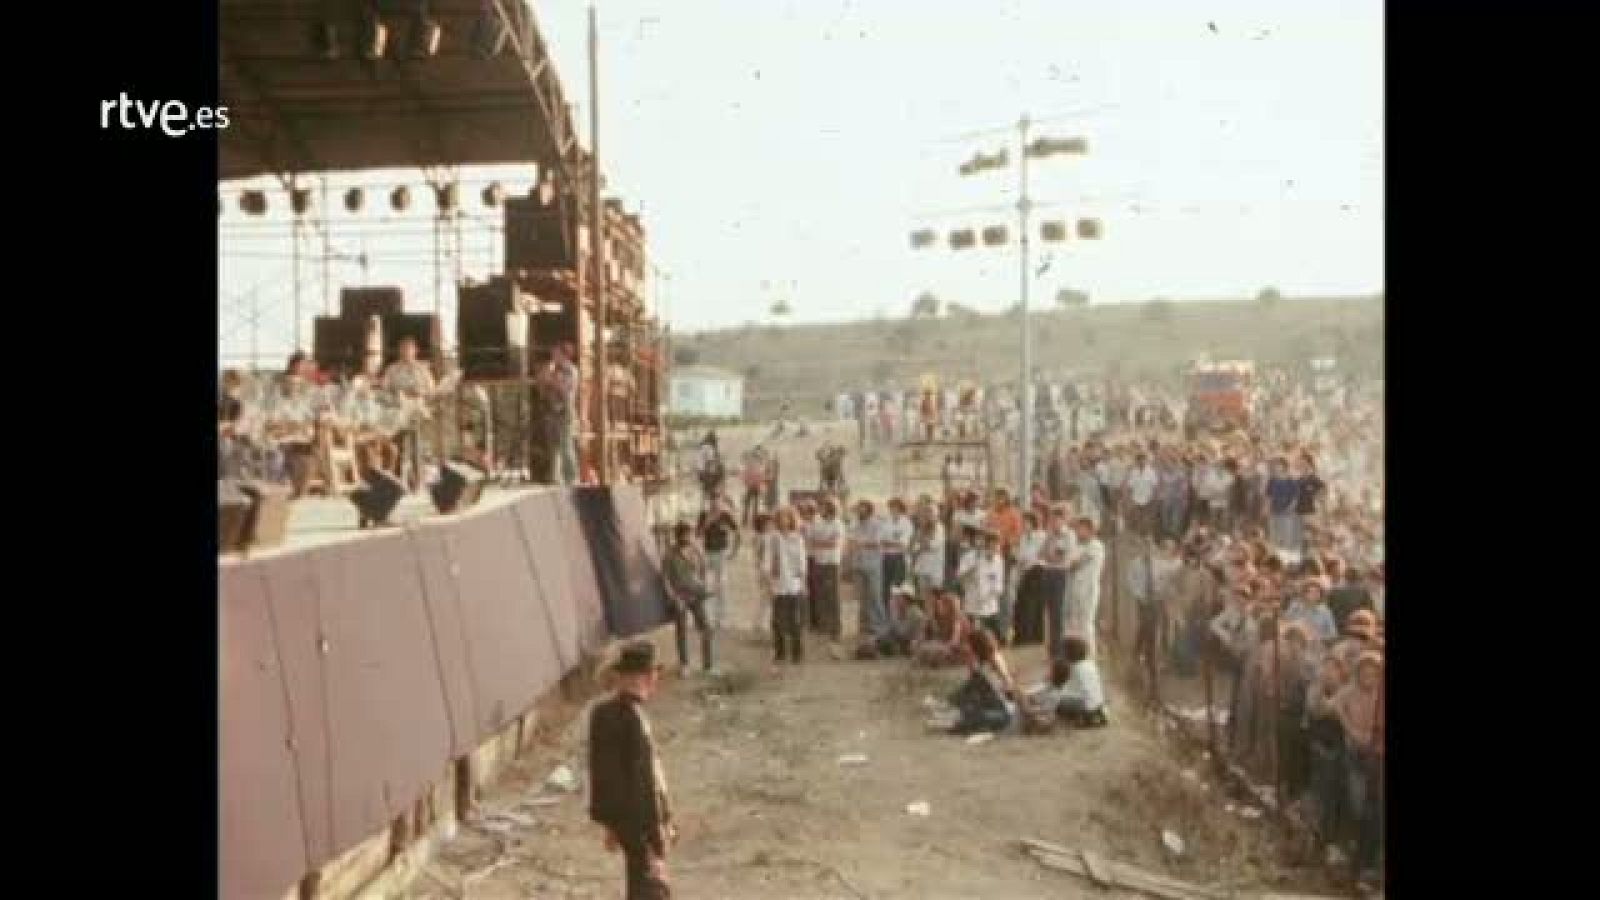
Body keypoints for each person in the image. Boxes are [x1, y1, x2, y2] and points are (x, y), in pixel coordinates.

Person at [588, 640, 675, 900]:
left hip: (627, 822)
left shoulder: (604, 714)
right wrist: (653, 838)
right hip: (640, 826)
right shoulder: (631, 720)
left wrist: (612, 822)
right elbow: (642, 783)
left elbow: (605, 777)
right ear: (647, 677)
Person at [662, 521, 714, 675]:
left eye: (690, 534)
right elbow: (665, 579)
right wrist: (673, 597)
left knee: (706, 628)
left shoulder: (695, 550)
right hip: (680, 597)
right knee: (682, 631)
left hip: (696, 594)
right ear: (679, 535)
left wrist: (704, 585)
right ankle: (684, 664)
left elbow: (703, 569)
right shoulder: (670, 554)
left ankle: (708, 665)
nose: (689, 537)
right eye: (686, 534)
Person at [947, 629, 1018, 735]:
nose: (964, 649)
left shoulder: (982, 672)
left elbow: (960, 697)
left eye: (967, 645)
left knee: (969, 716)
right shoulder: (989, 666)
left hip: (1001, 715)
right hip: (1006, 711)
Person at [769, 506, 809, 666]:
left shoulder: (797, 538)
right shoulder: (773, 538)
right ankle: (779, 653)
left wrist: (803, 582)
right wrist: (769, 582)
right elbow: (769, 561)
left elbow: (802, 561)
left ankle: (797, 653)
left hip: (794, 583)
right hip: (778, 583)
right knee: (777, 620)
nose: (783, 521)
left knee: (795, 620)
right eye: (780, 518)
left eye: (786, 518)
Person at [695, 495, 741, 632]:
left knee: (721, 586)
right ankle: (706, 618)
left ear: (721, 502)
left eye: (718, 502)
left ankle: (721, 619)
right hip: (707, 552)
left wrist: (734, 551)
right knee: (705, 585)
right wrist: (708, 522)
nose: (715, 505)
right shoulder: (704, 515)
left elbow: (738, 532)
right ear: (710, 502)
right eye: (713, 502)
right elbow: (697, 534)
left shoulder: (726, 515)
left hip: (721, 552)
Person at [1065, 517, 1106, 658]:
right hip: (1075, 588)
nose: (1078, 531)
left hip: (1089, 589)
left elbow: (1075, 564)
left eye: (1081, 528)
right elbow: (1069, 564)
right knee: (1074, 623)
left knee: (1086, 623)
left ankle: (1090, 656)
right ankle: (1076, 655)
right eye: (1077, 528)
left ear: (1090, 529)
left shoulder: (1096, 545)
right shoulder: (1077, 546)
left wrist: (1072, 563)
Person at [848, 500, 887, 641]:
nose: (859, 511)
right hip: (858, 564)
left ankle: (879, 627)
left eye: (861, 509)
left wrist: (861, 543)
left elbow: (877, 543)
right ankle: (864, 626)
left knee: (875, 596)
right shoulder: (855, 524)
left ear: (868, 509)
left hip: (873, 564)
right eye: (858, 509)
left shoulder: (877, 524)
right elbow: (850, 541)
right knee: (862, 598)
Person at [806, 499, 844, 639]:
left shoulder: (838, 524)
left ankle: (835, 627)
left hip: (831, 562)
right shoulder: (818, 523)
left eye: (824, 507)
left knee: (832, 595)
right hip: (819, 561)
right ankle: (823, 625)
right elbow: (810, 541)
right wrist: (822, 543)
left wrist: (819, 543)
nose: (821, 510)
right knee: (820, 594)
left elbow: (833, 543)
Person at [960, 529, 1006, 639]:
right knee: (973, 633)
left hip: (990, 603)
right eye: (992, 545)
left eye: (997, 545)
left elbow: (999, 582)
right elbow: (961, 576)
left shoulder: (999, 559)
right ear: (986, 544)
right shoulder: (970, 556)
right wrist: (971, 570)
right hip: (973, 601)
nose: (995, 548)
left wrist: (994, 592)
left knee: (992, 636)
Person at [1055, 635, 1109, 727]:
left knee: (1056, 700)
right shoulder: (1091, 664)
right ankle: (1094, 715)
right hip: (1098, 703)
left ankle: (1081, 717)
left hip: (1084, 704)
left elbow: (1065, 690)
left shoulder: (1074, 668)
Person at [1012, 511, 1047, 645]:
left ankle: (1033, 636)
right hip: (1025, 572)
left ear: (1033, 522)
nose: (1024, 525)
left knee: (1033, 605)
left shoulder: (1041, 536)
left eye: (1026, 522)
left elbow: (1038, 554)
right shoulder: (1023, 538)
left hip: (1037, 571)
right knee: (1023, 605)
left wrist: (1026, 559)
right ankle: (1024, 635)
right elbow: (1020, 556)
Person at [915, 585, 971, 667]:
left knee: (937, 651)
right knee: (925, 649)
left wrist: (946, 646)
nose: (927, 602)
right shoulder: (932, 615)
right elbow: (922, 635)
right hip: (944, 645)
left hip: (959, 647)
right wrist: (917, 642)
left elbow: (954, 639)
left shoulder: (954, 611)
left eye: (929, 599)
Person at [880, 497, 914, 624]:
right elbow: (881, 541)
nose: (892, 510)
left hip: (899, 558)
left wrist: (890, 543)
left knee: (897, 588)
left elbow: (903, 544)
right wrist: (891, 543)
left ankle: (899, 618)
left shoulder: (907, 523)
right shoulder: (886, 521)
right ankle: (887, 617)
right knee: (885, 589)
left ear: (901, 508)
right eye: (891, 507)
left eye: (895, 507)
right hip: (886, 557)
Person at [1265, 457, 1303, 556]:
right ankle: (1275, 553)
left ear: (1283, 466)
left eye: (1278, 465)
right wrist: (1267, 509)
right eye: (1275, 465)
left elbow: (1295, 498)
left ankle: (1285, 553)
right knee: (1274, 534)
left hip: (1286, 512)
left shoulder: (1291, 481)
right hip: (1274, 510)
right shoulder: (1272, 480)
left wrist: (1289, 509)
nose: (1276, 467)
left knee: (1285, 533)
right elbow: (1268, 496)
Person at [1126, 452, 1159, 537]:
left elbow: (1155, 486)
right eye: (1139, 460)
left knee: (1146, 518)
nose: (1141, 462)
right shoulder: (1133, 472)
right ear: (1137, 461)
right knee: (1137, 518)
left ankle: (1146, 534)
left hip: (1148, 499)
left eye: (1143, 460)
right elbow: (1130, 486)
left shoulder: (1151, 472)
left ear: (1146, 461)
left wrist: (1153, 499)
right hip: (1136, 499)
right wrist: (1130, 499)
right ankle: (1138, 534)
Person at [740, 447, 767, 526]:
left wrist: (760, 486)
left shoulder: (758, 467)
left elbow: (761, 478)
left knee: (753, 505)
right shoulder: (752, 466)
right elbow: (745, 476)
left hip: (755, 487)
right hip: (752, 487)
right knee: (749, 505)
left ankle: (750, 520)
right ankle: (746, 520)